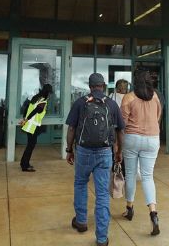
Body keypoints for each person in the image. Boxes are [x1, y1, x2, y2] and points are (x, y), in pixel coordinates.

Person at [65, 73, 125, 246]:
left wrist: (69, 150)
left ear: (90, 86)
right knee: (102, 194)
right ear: (103, 86)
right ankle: (102, 238)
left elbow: (71, 129)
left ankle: (81, 221)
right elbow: (121, 131)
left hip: (83, 151)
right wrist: (119, 152)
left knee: (80, 184)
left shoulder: (80, 102)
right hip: (105, 152)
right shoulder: (111, 104)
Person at [119, 69, 163, 236]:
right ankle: (153, 213)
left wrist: (118, 145)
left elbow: (122, 123)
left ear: (135, 81)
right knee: (147, 176)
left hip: (132, 138)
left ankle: (129, 208)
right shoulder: (155, 97)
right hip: (152, 139)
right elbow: (157, 117)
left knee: (130, 174)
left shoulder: (129, 97)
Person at [19, 84, 52, 172]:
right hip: (32, 126)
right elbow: (35, 111)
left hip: (29, 124)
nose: (50, 95)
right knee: (30, 146)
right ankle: (25, 166)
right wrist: (26, 120)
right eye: (49, 93)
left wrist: (24, 118)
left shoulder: (36, 98)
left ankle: (24, 163)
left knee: (30, 145)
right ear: (47, 92)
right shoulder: (43, 101)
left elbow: (27, 108)